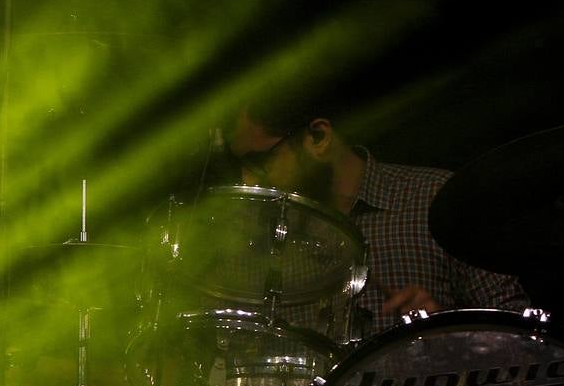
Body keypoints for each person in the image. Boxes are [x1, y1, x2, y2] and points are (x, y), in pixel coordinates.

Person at [223, 96, 529, 336]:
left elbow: (520, 335)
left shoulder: (436, 198)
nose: (249, 180)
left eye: (260, 161)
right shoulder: (261, 235)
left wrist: (447, 331)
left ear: (318, 137)